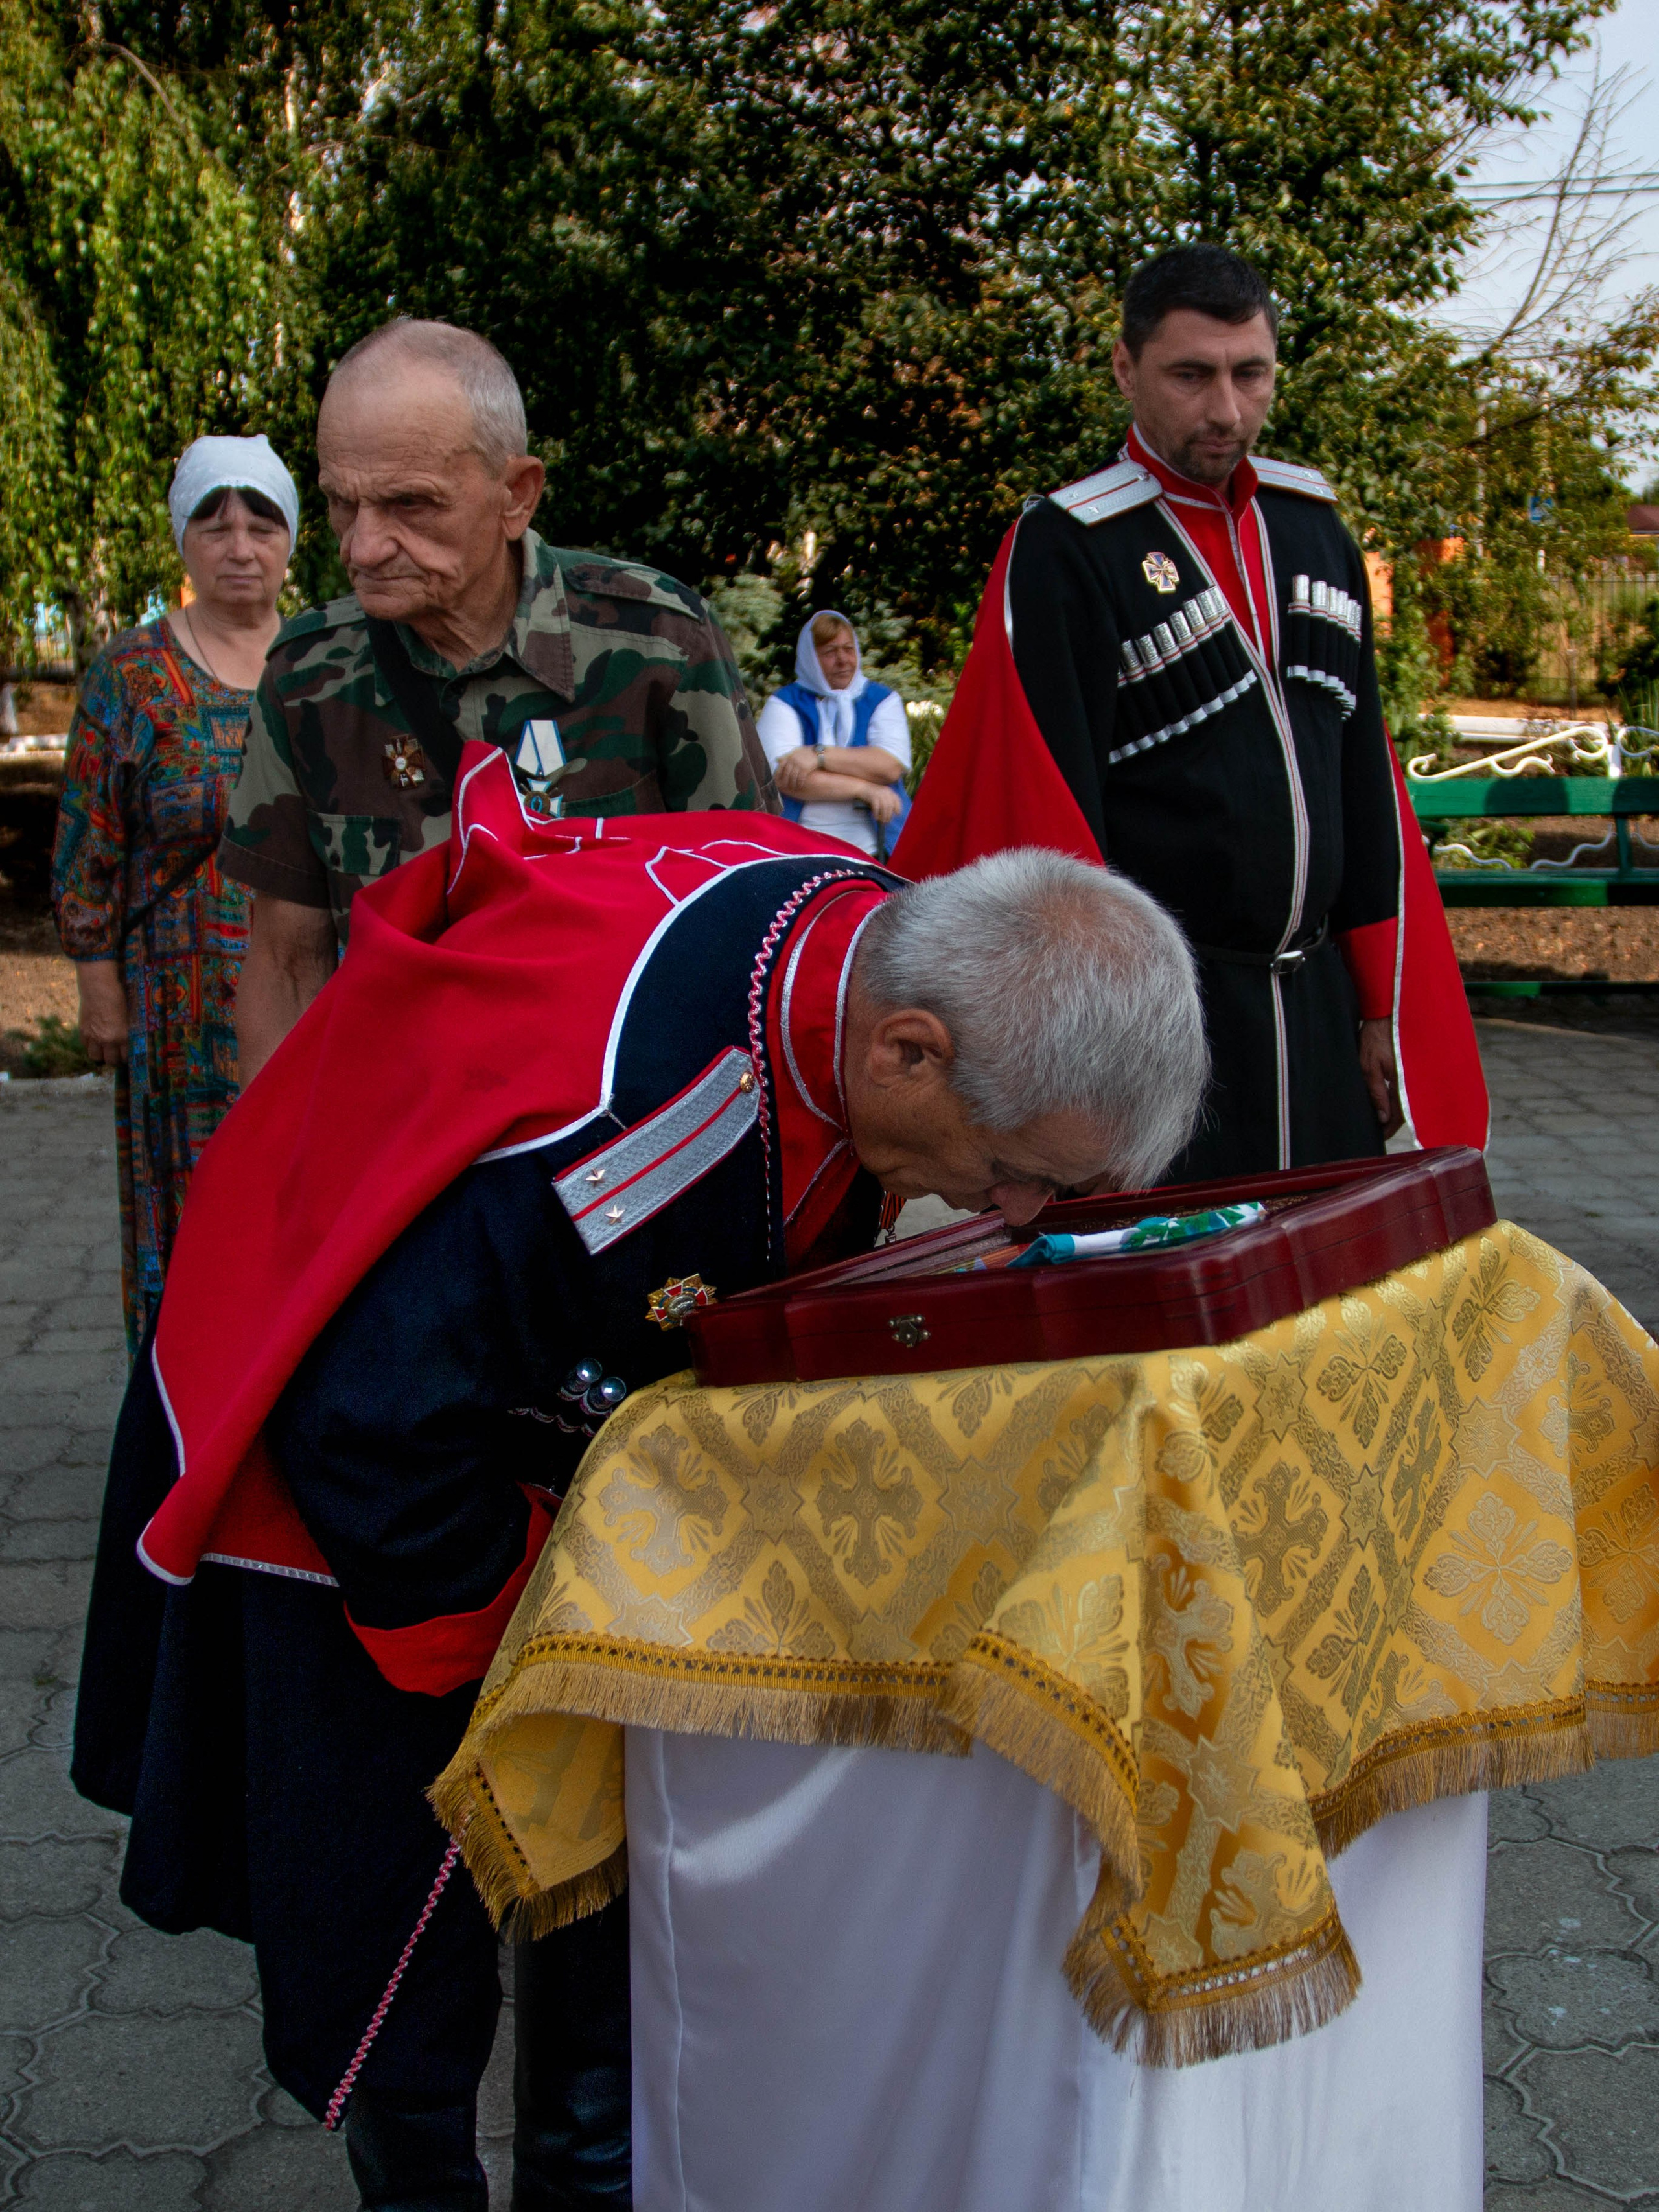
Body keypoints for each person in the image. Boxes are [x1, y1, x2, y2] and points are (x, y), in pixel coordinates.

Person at [71, 747, 1207, 2211]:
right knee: (406, 1919)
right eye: (1010, 1168)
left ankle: (586, 2169)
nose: (1010, 1212)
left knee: (602, 1886)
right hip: (349, 1469)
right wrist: (535, 1640)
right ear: (908, 1050)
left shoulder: (872, 936)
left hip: (506, 1419)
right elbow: (371, 1422)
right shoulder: (626, 1127)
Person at [894, 242, 1487, 1178]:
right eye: (1191, 375)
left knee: (1333, 1296)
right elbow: (1043, 819)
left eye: (1251, 375)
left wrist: (1383, 1005)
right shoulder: (1069, 546)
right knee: (1181, 1299)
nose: (1225, 410)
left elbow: (1366, 785)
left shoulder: (1313, 527)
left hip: (1323, 1013)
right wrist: (1077, 1058)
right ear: (1127, 369)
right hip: (1168, 1031)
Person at [220, 317, 778, 1084]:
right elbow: (287, 962)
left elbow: (753, 921)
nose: (361, 546)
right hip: (405, 1133)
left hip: (616, 1137)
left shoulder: (657, 643)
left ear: (515, 495)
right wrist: (284, 1178)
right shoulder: (309, 674)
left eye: (410, 505)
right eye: (341, 503)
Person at [51, 436, 299, 1355]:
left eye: (261, 522)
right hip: (178, 1004)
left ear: (290, 540)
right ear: (183, 541)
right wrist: (96, 980)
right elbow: (88, 837)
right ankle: (177, 1434)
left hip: (312, 995)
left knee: (298, 1204)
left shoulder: (322, 663)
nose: (240, 545)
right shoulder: (134, 675)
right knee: (187, 1212)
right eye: (215, 522)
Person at [758, 611, 911, 857]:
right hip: (799, 849)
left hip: (877, 846)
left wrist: (818, 756)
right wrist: (865, 789)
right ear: (810, 658)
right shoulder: (784, 703)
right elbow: (782, 779)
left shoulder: (883, 700)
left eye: (848, 649)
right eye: (830, 652)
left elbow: (890, 766)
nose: (843, 660)